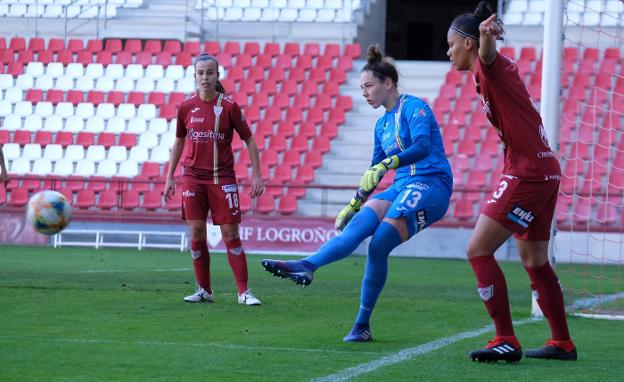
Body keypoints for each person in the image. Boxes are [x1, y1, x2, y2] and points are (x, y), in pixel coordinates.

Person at [262, 45, 453, 342]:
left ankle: (361, 323)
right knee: (356, 229)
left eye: (368, 86)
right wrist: (353, 204)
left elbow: (423, 147)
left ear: (387, 83)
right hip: (401, 186)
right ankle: (307, 266)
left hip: (431, 184)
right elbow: (373, 171)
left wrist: (389, 163)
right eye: (361, 87)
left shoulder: (415, 107)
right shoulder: (382, 125)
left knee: (378, 245)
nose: (364, 93)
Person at [447, 2, 576, 363]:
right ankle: (562, 343)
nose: (448, 51)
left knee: (477, 250)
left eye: (452, 44)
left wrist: (486, 36)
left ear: (469, 44)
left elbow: (486, 54)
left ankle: (505, 339)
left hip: (528, 172)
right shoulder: (491, 73)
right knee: (534, 259)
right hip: (543, 169)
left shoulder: (491, 66)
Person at [163, 53, 263, 306]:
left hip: (222, 178)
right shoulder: (186, 107)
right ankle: (204, 290)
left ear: (217, 75)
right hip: (192, 179)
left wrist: (256, 175)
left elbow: (249, 140)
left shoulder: (229, 106)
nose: (205, 77)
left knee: (230, 234)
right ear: (195, 76)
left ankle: (244, 292)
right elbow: (179, 142)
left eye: (210, 72)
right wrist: (170, 177)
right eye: (201, 73)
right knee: (196, 232)